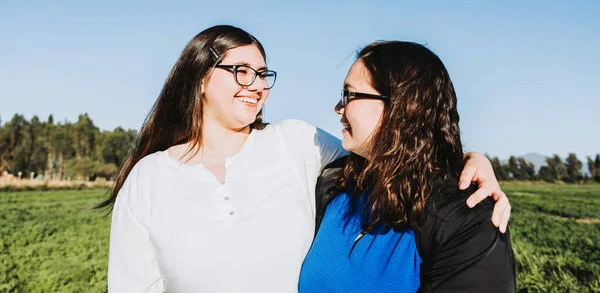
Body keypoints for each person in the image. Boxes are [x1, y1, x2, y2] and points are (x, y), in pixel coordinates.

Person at [101, 26, 511, 293]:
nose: (257, 86)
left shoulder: (297, 143)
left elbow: (402, 150)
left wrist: (472, 162)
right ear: (201, 78)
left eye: (263, 74)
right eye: (242, 71)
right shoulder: (150, 178)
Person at [299, 41, 516, 293]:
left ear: (400, 107)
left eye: (350, 94)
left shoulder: (466, 219)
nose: (338, 107)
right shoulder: (334, 184)